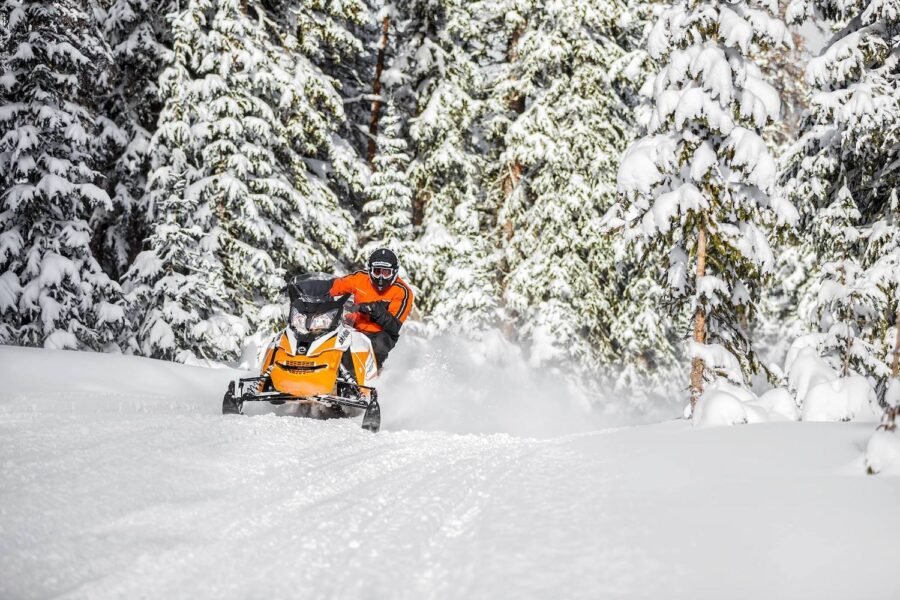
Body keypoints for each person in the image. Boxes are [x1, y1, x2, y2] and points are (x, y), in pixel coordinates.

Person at [326, 248, 414, 368]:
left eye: (386, 272)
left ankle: (366, 381)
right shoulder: (361, 278)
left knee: (374, 347)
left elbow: (394, 325)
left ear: (394, 272)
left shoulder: (402, 291)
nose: (381, 277)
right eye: (377, 271)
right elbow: (336, 286)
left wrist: (373, 309)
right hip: (352, 327)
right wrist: (311, 287)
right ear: (370, 270)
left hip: (380, 334)